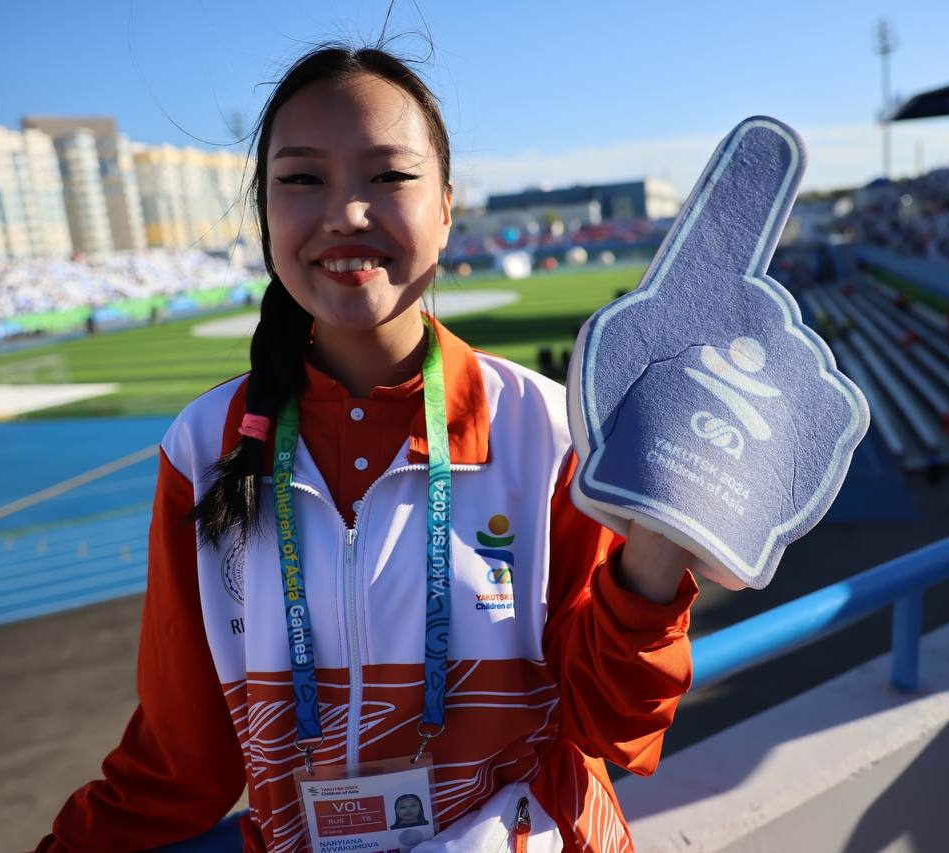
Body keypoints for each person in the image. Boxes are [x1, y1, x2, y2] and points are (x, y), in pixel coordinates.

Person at [35, 43, 696, 853]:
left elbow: (612, 719)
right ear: (265, 214)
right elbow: (181, 764)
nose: (346, 212)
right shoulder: (202, 451)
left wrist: (656, 562)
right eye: (303, 179)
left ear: (447, 209)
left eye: (388, 176)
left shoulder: (549, 429)